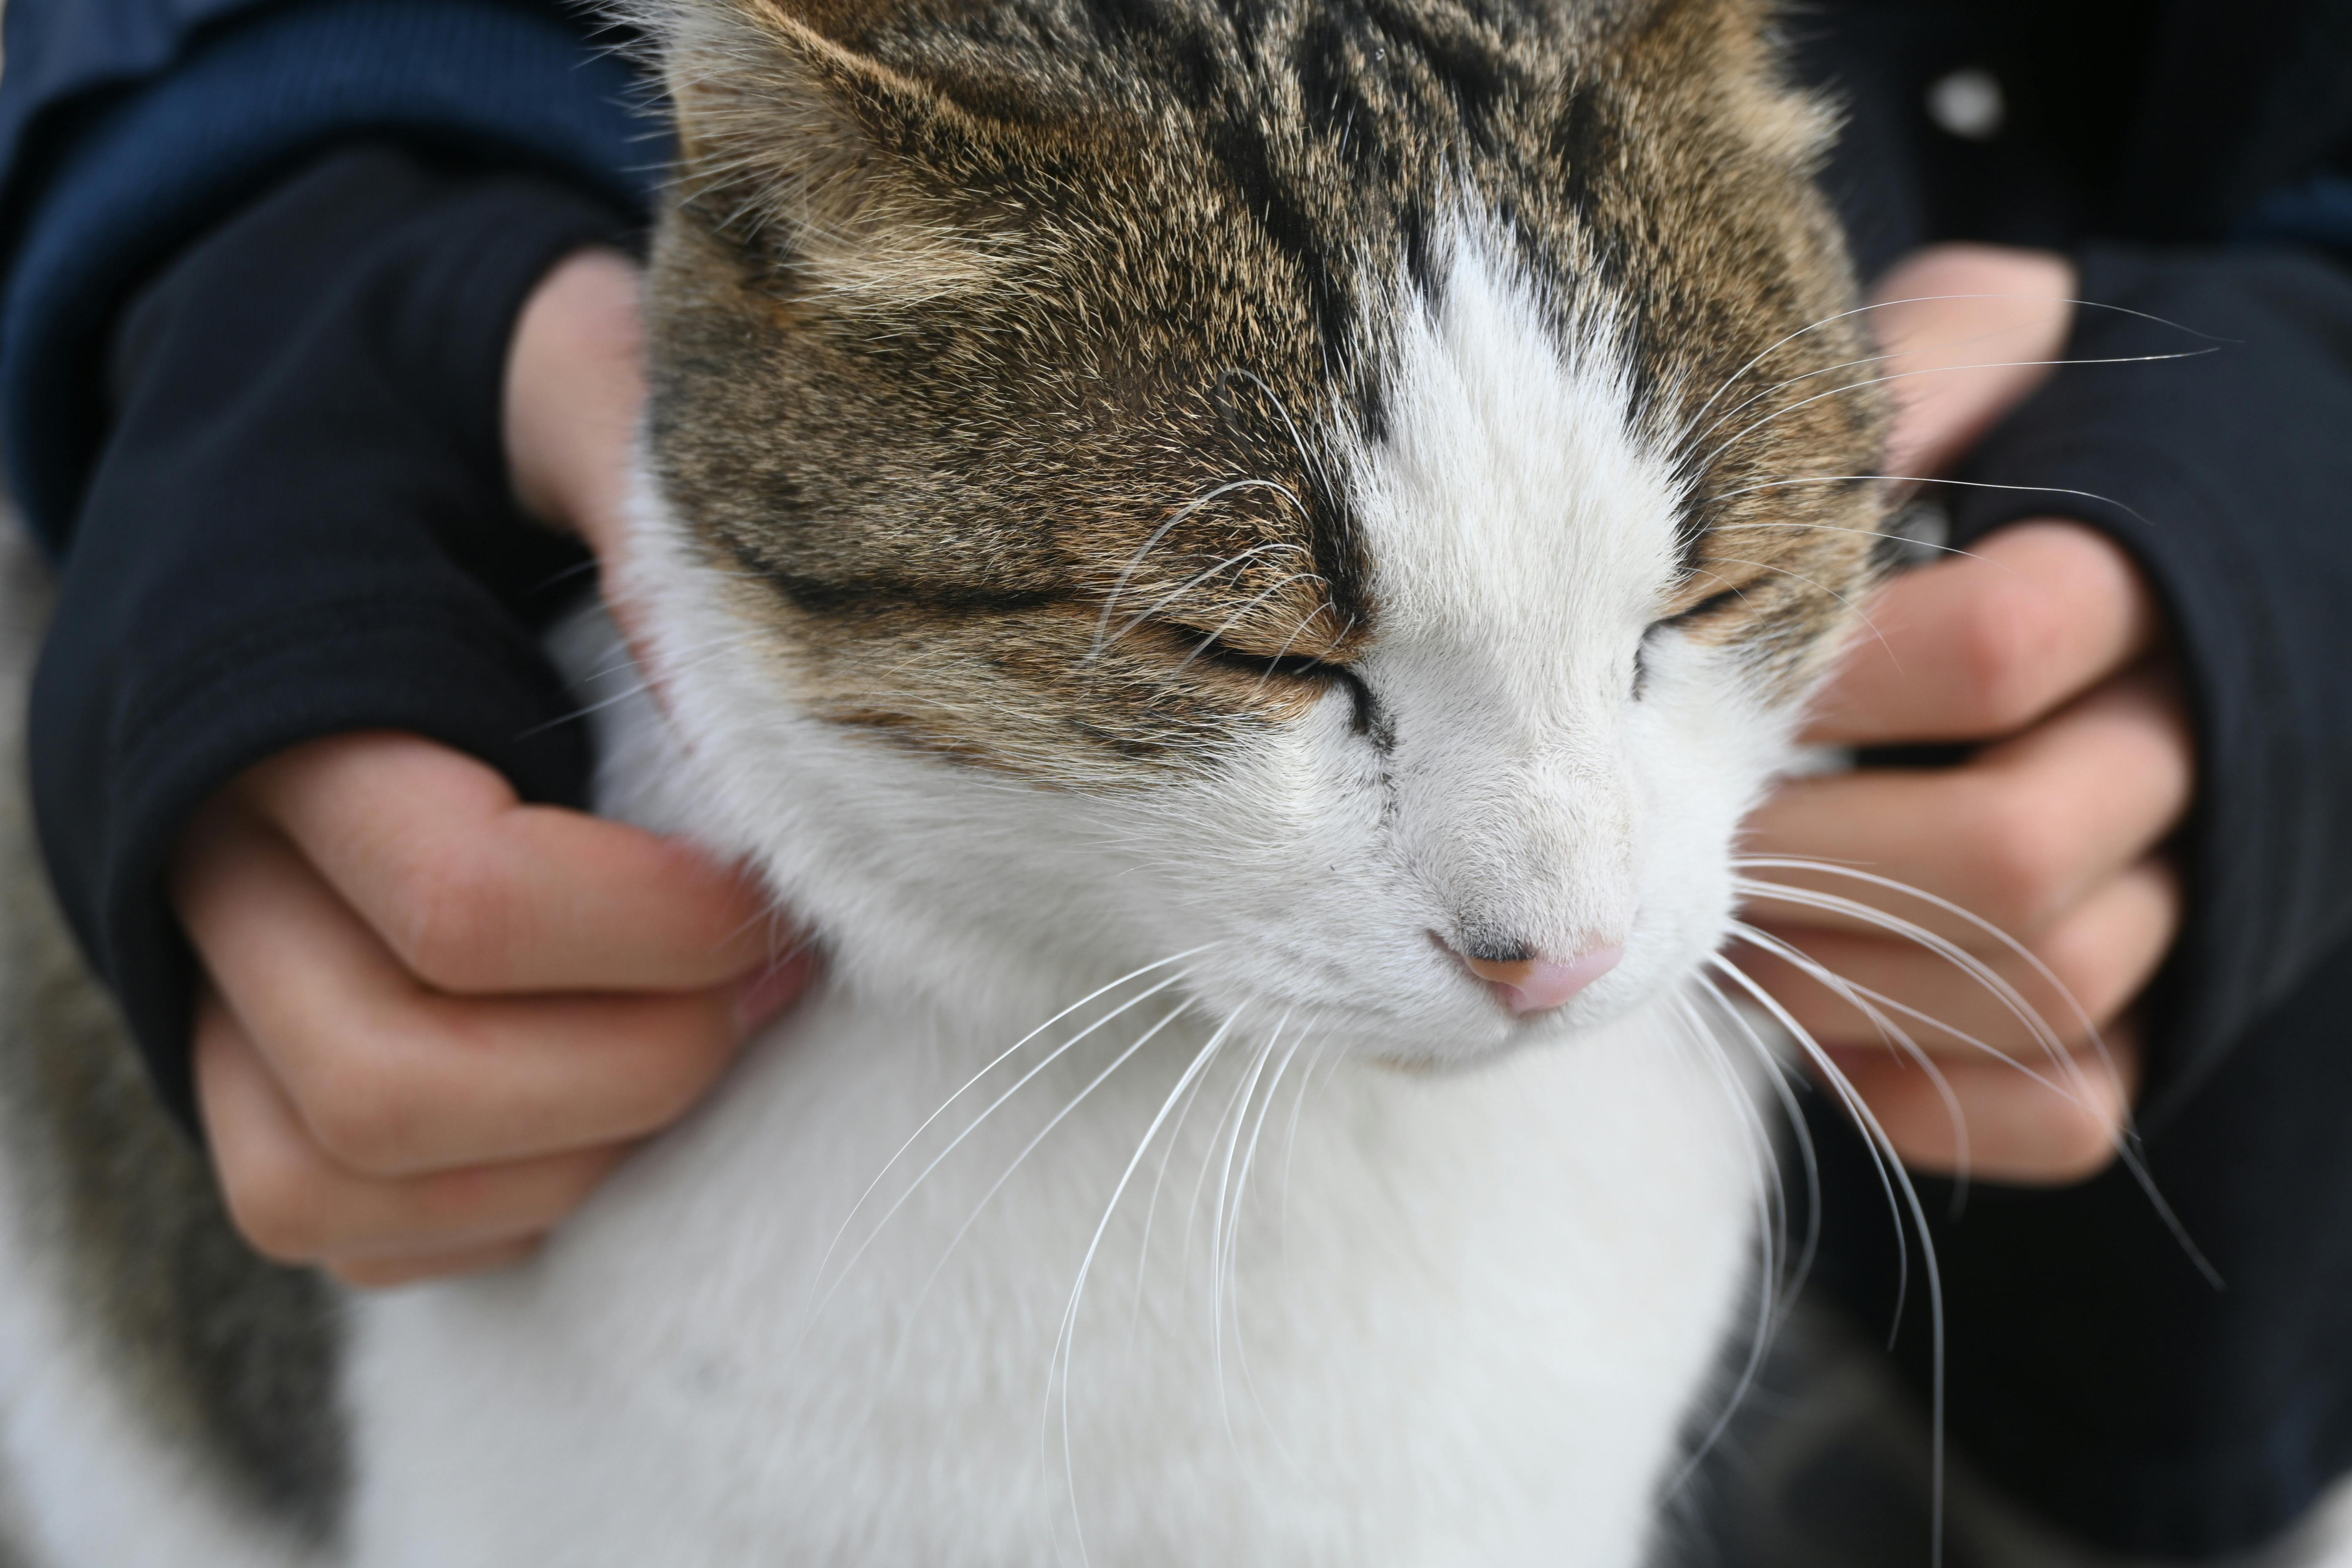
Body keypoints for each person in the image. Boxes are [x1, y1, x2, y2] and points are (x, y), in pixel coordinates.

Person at [0, 0, 2346, 1557]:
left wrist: (2318, 444)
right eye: (1254, 651)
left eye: (1680, 618)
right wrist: (236, 184)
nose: (1560, 919)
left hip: (2186, 1244)